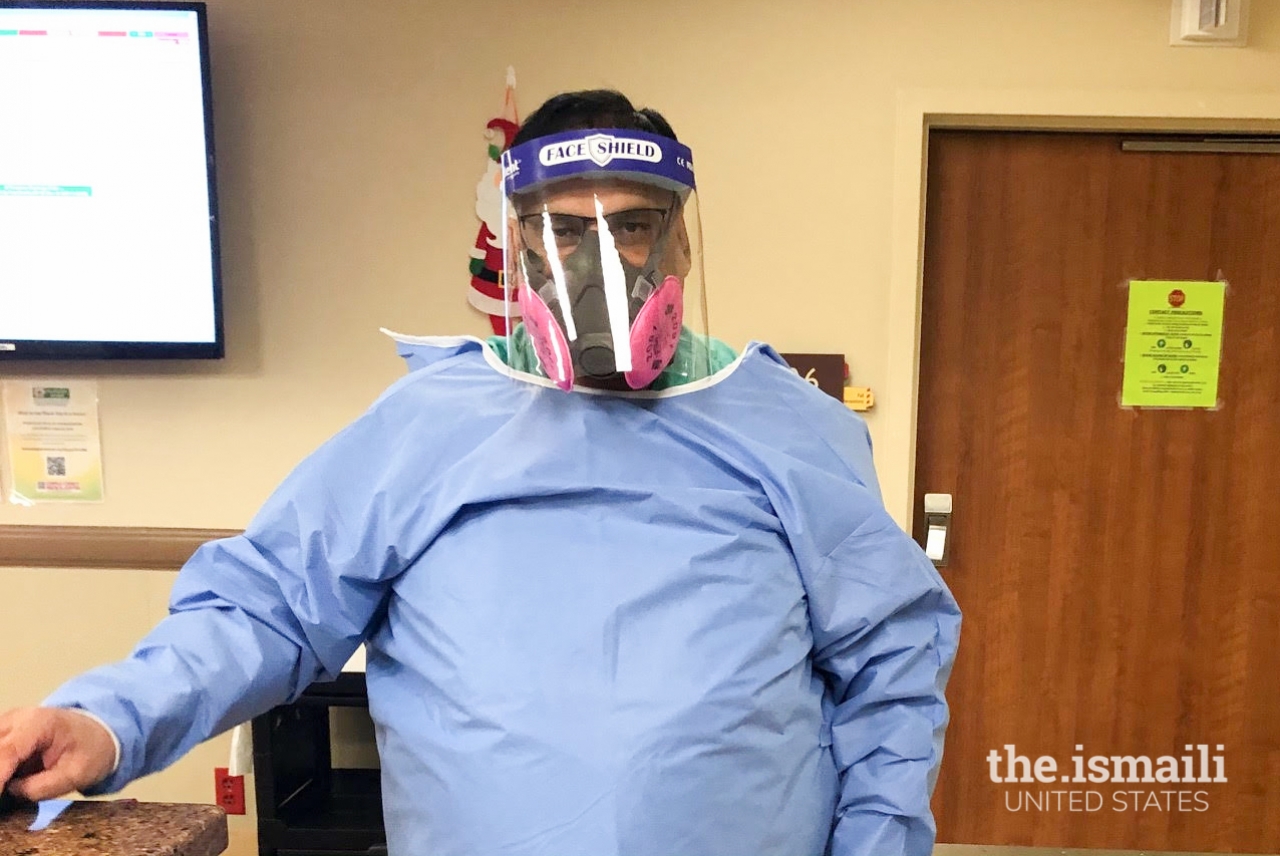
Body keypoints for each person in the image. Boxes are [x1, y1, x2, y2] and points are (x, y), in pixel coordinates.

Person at [0, 90, 961, 856]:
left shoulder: (789, 427)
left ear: (681, 241)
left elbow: (892, 666)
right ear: (517, 249)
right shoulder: (428, 427)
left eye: (631, 229)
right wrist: (108, 720)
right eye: (562, 232)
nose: (600, 266)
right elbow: (268, 605)